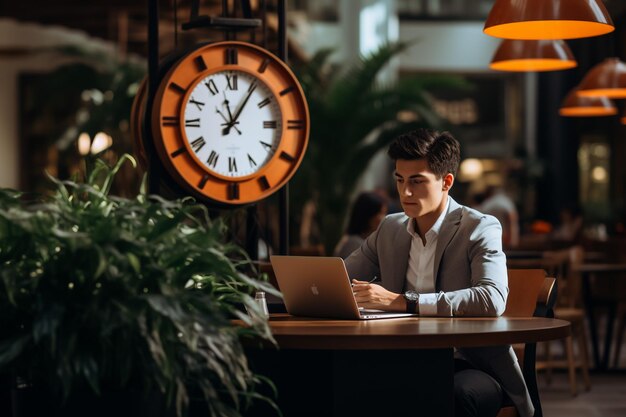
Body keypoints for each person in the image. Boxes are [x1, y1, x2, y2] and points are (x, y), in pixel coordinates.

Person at [344, 129, 533, 417]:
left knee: (453, 396)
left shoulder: (479, 227)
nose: (405, 192)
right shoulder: (390, 228)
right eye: (400, 180)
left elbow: (491, 298)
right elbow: (341, 276)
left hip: (467, 362)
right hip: (399, 358)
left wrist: (403, 302)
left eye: (417, 182)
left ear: (446, 182)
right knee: (344, 383)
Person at [333, 191, 388, 259]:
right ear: (368, 215)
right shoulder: (354, 244)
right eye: (381, 213)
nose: (384, 218)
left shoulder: (365, 241)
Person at [474, 180, 520, 248]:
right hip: (504, 241)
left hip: (491, 241)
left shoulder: (487, 204)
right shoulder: (505, 201)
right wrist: (512, 241)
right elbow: (512, 219)